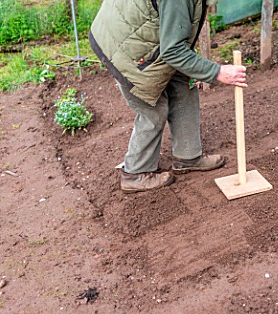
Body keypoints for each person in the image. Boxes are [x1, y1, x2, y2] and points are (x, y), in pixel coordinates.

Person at [89, 0, 247, 193]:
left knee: (183, 83)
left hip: (143, 31)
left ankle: (188, 156)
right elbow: (172, 51)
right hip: (124, 45)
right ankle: (135, 173)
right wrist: (217, 72)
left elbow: (176, 32)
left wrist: (195, 66)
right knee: (153, 107)